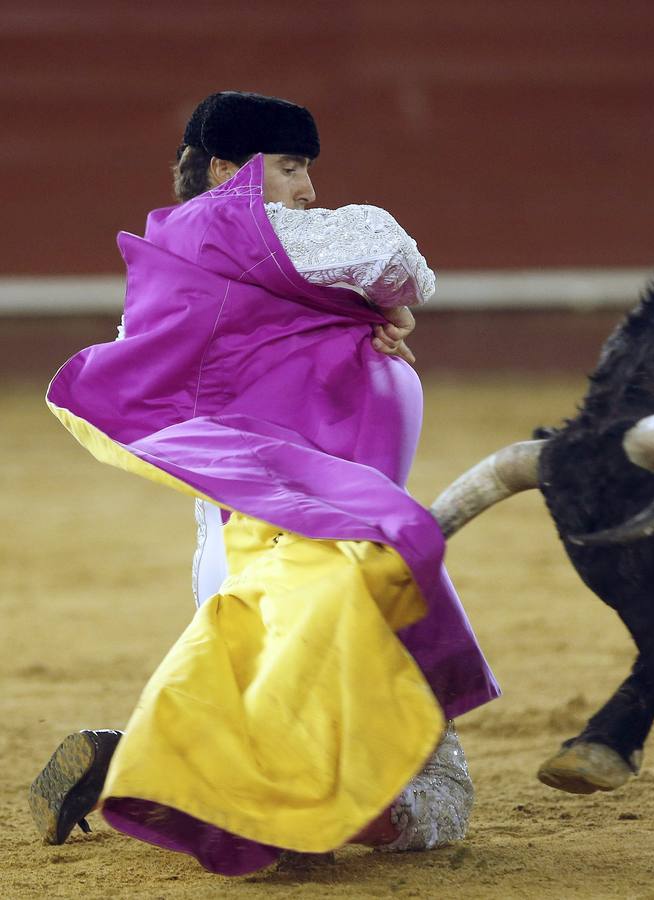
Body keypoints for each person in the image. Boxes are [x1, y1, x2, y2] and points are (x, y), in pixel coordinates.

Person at [31, 91, 499, 875]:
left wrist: (358, 323)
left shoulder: (190, 277)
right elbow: (397, 256)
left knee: (285, 715)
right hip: (319, 555)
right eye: (290, 168)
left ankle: (161, 764)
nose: (308, 189)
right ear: (230, 171)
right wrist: (389, 305)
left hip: (241, 552)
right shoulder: (234, 232)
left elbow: (275, 331)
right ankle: (245, 799)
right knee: (437, 797)